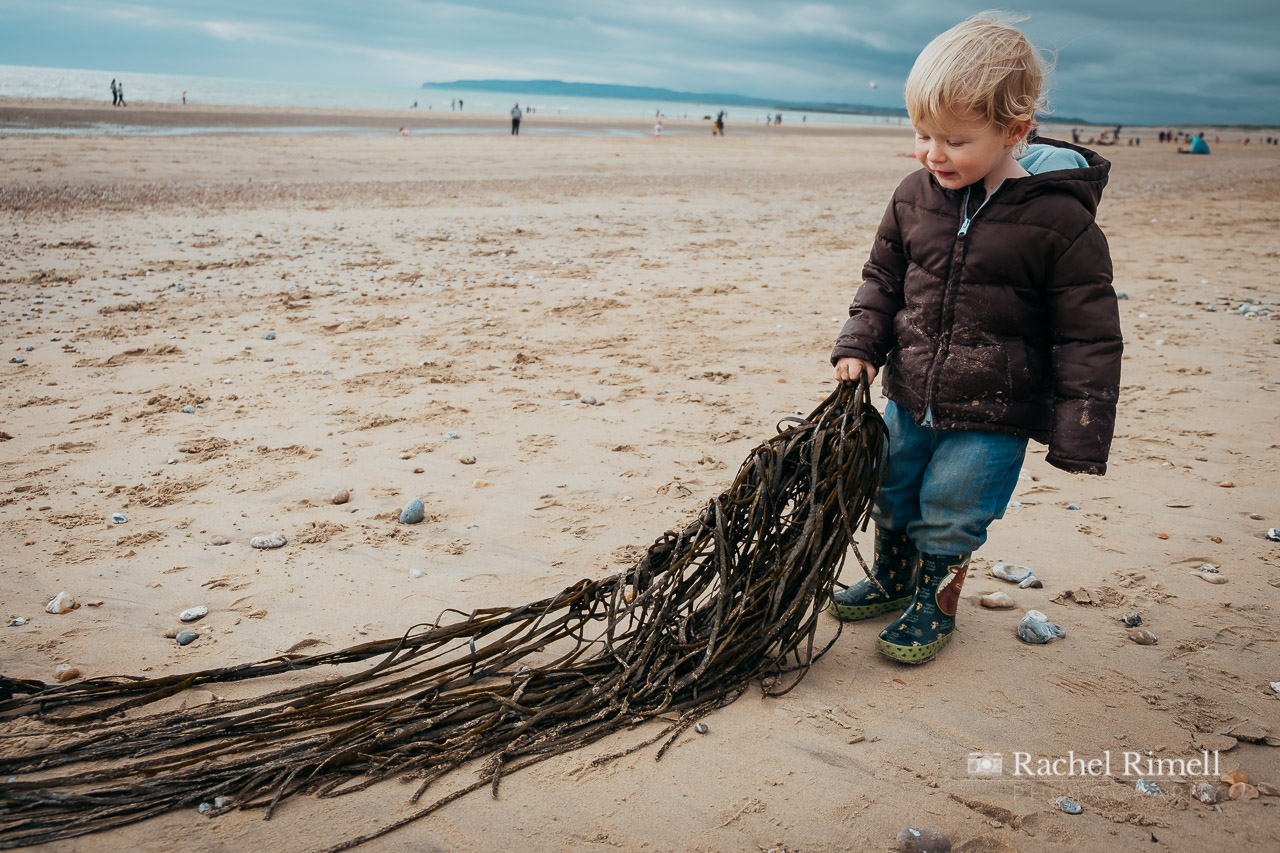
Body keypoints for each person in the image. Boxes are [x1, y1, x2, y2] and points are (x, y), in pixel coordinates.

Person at [827, 13, 1122, 665]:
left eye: (954, 140)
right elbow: (883, 279)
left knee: (953, 507)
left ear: (1015, 132)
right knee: (893, 488)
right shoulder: (914, 197)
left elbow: (1090, 333)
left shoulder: (1058, 220)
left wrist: (1080, 429)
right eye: (922, 134)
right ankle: (894, 573)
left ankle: (935, 596)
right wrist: (860, 345)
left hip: (994, 411)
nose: (933, 153)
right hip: (908, 391)